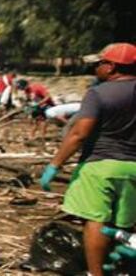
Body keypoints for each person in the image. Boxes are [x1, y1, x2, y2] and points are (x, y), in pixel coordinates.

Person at [39, 43, 136, 276]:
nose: (96, 68)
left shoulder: (98, 93)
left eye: (99, 63)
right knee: (122, 224)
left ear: (112, 67)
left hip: (99, 165)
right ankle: (120, 268)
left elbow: (79, 134)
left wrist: (55, 165)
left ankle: (96, 273)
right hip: (133, 167)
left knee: (96, 220)